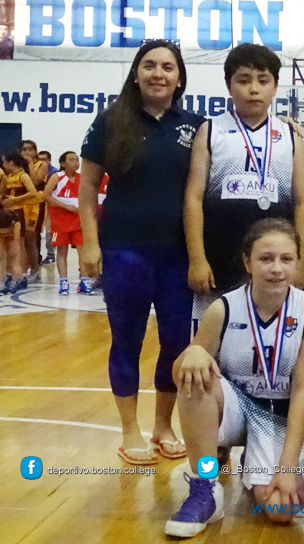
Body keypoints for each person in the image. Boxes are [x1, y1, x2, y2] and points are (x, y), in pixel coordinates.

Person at [79, 39, 206, 465]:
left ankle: (162, 425)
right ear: (136, 72)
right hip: (124, 251)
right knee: (127, 341)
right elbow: (87, 190)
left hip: (178, 255)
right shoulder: (110, 122)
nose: (158, 73)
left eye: (167, 67)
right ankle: (129, 430)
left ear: (179, 77)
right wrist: (91, 244)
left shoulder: (196, 126)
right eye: (149, 65)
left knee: (175, 343)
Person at [165, 218, 304, 538]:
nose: (276, 268)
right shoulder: (223, 308)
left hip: (278, 415)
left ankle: (268, 459)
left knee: (281, 510)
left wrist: (288, 464)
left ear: (298, 262)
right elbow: (178, 376)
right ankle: (204, 488)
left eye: (286, 259)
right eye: (266, 258)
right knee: (197, 378)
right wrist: (192, 354)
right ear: (247, 262)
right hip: (235, 408)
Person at [185, 43, 304, 335]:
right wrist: (197, 259)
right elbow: (193, 198)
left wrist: (300, 261)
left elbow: (302, 202)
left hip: (274, 260)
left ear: (275, 86)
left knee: (272, 340)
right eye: (243, 80)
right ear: (229, 85)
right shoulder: (211, 130)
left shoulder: (290, 136)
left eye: (263, 80)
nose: (254, 89)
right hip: (219, 256)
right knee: (212, 342)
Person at [43, 151, 91, 296]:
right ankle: (64, 282)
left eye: (77, 160)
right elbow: (45, 195)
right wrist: (65, 206)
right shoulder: (57, 177)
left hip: (78, 219)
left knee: (82, 250)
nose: (76, 163)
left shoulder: (83, 178)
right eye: (71, 160)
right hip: (60, 219)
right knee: (62, 251)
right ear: (63, 163)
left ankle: (84, 280)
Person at [1, 150, 40, 292]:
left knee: (20, 245)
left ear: (12, 162)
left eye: (5, 161)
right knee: (9, 246)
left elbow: (33, 193)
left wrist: (15, 200)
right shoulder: (9, 176)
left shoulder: (23, 176)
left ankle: (21, 275)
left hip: (20, 213)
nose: (4, 164)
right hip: (8, 214)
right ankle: (12, 274)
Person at [19, 140, 48, 282]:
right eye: (24, 149)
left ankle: (35, 270)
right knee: (21, 239)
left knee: (31, 238)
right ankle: (22, 269)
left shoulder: (41, 165)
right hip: (22, 204)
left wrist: (30, 163)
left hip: (36, 205)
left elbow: (35, 182)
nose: (27, 152)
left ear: (35, 151)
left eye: (30, 149)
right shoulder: (18, 167)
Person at [39, 150, 58, 265]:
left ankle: (51, 255)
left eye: (44, 159)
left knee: (49, 231)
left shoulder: (54, 173)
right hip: (38, 204)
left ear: (49, 160)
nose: (42, 162)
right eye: (39, 159)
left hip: (50, 206)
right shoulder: (36, 170)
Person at [0, 209, 24, 294]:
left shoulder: (16, 222)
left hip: (13, 235)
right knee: (1, 255)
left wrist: (14, 244)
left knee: (15, 255)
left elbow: (16, 240)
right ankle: (2, 280)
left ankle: (16, 279)